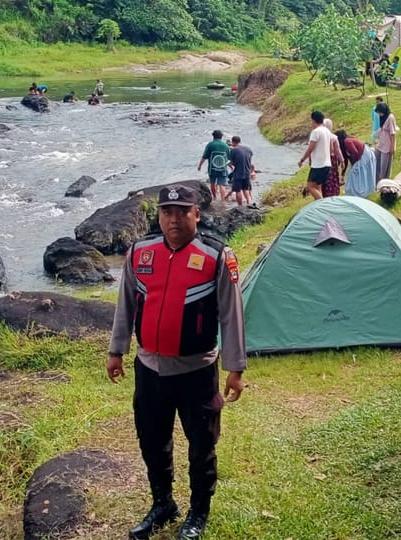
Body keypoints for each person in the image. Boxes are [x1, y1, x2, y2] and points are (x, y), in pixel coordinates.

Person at [107, 184, 246, 540]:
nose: (174, 219)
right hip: (149, 370)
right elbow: (126, 304)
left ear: (196, 214)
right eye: (167, 212)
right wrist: (116, 350)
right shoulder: (140, 252)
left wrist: (236, 368)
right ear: (159, 216)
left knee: (202, 445)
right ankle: (163, 503)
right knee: (152, 440)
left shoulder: (217, 255)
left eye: (182, 211)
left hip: (196, 371)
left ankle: (198, 512)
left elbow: (231, 315)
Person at [298, 111, 335, 200]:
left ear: (313, 120)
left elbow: (310, 148)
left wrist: (302, 160)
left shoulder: (316, 132)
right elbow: (331, 149)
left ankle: (322, 205)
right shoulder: (327, 131)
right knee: (318, 187)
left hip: (319, 165)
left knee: (310, 187)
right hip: (327, 164)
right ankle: (320, 208)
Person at [338, 129, 377, 197]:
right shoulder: (344, 146)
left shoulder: (347, 141)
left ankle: (358, 193)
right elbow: (345, 161)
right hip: (360, 157)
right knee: (356, 175)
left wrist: (355, 165)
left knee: (355, 175)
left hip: (364, 155)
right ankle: (355, 193)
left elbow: (355, 153)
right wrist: (342, 174)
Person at [198, 130, 232, 201]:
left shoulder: (210, 144)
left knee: (212, 183)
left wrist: (200, 165)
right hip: (222, 169)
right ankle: (223, 200)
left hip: (212, 169)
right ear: (221, 137)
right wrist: (231, 166)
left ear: (213, 136)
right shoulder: (226, 146)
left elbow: (204, 156)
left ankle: (215, 197)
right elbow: (228, 159)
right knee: (222, 185)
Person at [228, 136, 256, 207]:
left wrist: (231, 164)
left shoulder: (233, 150)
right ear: (240, 141)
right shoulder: (248, 149)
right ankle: (249, 202)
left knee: (238, 190)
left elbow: (231, 162)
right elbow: (249, 159)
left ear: (233, 142)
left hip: (238, 173)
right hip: (247, 172)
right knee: (246, 189)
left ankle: (240, 206)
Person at [374, 102, 398, 180]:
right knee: (376, 160)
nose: (379, 114)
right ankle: (377, 180)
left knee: (384, 165)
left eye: (379, 112)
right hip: (381, 144)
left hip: (387, 145)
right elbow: (381, 129)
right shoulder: (383, 118)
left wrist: (392, 147)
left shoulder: (390, 118)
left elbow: (393, 134)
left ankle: (384, 180)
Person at [321, 118, 344, 198]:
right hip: (332, 160)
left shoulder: (320, 137)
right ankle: (332, 193)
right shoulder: (333, 137)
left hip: (323, 160)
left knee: (324, 177)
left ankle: (323, 194)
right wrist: (342, 161)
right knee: (332, 177)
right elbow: (338, 150)